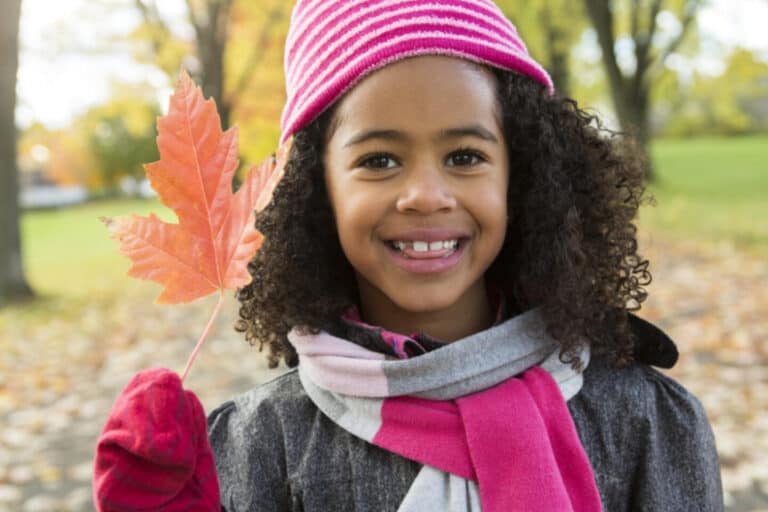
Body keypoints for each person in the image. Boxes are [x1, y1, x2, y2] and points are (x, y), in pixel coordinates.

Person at [93, 0, 724, 510]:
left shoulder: (645, 425)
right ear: (317, 193)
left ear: (523, 177)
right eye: (379, 160)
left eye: (465, 156)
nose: (426, 195)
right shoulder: (258, 447)